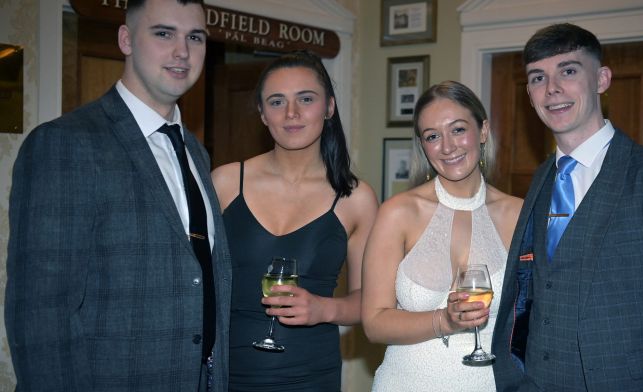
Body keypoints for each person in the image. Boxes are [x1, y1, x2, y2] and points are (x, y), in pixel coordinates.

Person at [5, 0, 232, 390]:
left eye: (195, 37)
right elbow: (41, 314)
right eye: (163, 33)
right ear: (126, 39)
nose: (182, 51)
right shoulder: (65, 143)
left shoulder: (195, 150)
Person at [492, 23, 643, 391]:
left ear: (601, 78)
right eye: (538, 77)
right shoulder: (541, 178)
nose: (552, 88)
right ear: (529, 92)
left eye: (568, 71)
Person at [211, 50, 378, 391]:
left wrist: (323, 308)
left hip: (310, 374)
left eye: (305, 98)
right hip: (229, 372)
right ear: (261, 113)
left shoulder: (355, 198)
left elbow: (370, 300)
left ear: (329, 107)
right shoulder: (224, 183)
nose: (291, 113)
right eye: (276, 101)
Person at [362, 80, 523, 391]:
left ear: (484, 131)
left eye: (459, 129)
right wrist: (444, 321)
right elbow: (374, 323)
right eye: (433, 136)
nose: (447, 146)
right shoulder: (398, 213)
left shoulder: (519, 214)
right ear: (423, 146)